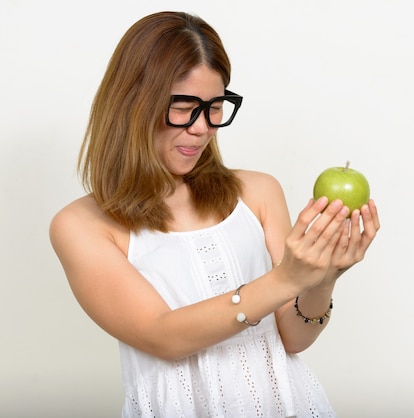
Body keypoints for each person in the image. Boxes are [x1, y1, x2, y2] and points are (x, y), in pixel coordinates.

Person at [49, 10, 379, 418]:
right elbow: (162, 335)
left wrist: (322, 281)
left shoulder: (257, 192)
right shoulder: (81, 226)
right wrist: (286, 278)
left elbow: (292, 339)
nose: (203, 128)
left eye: (215, 107)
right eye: (185, 106)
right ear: (133, 104)